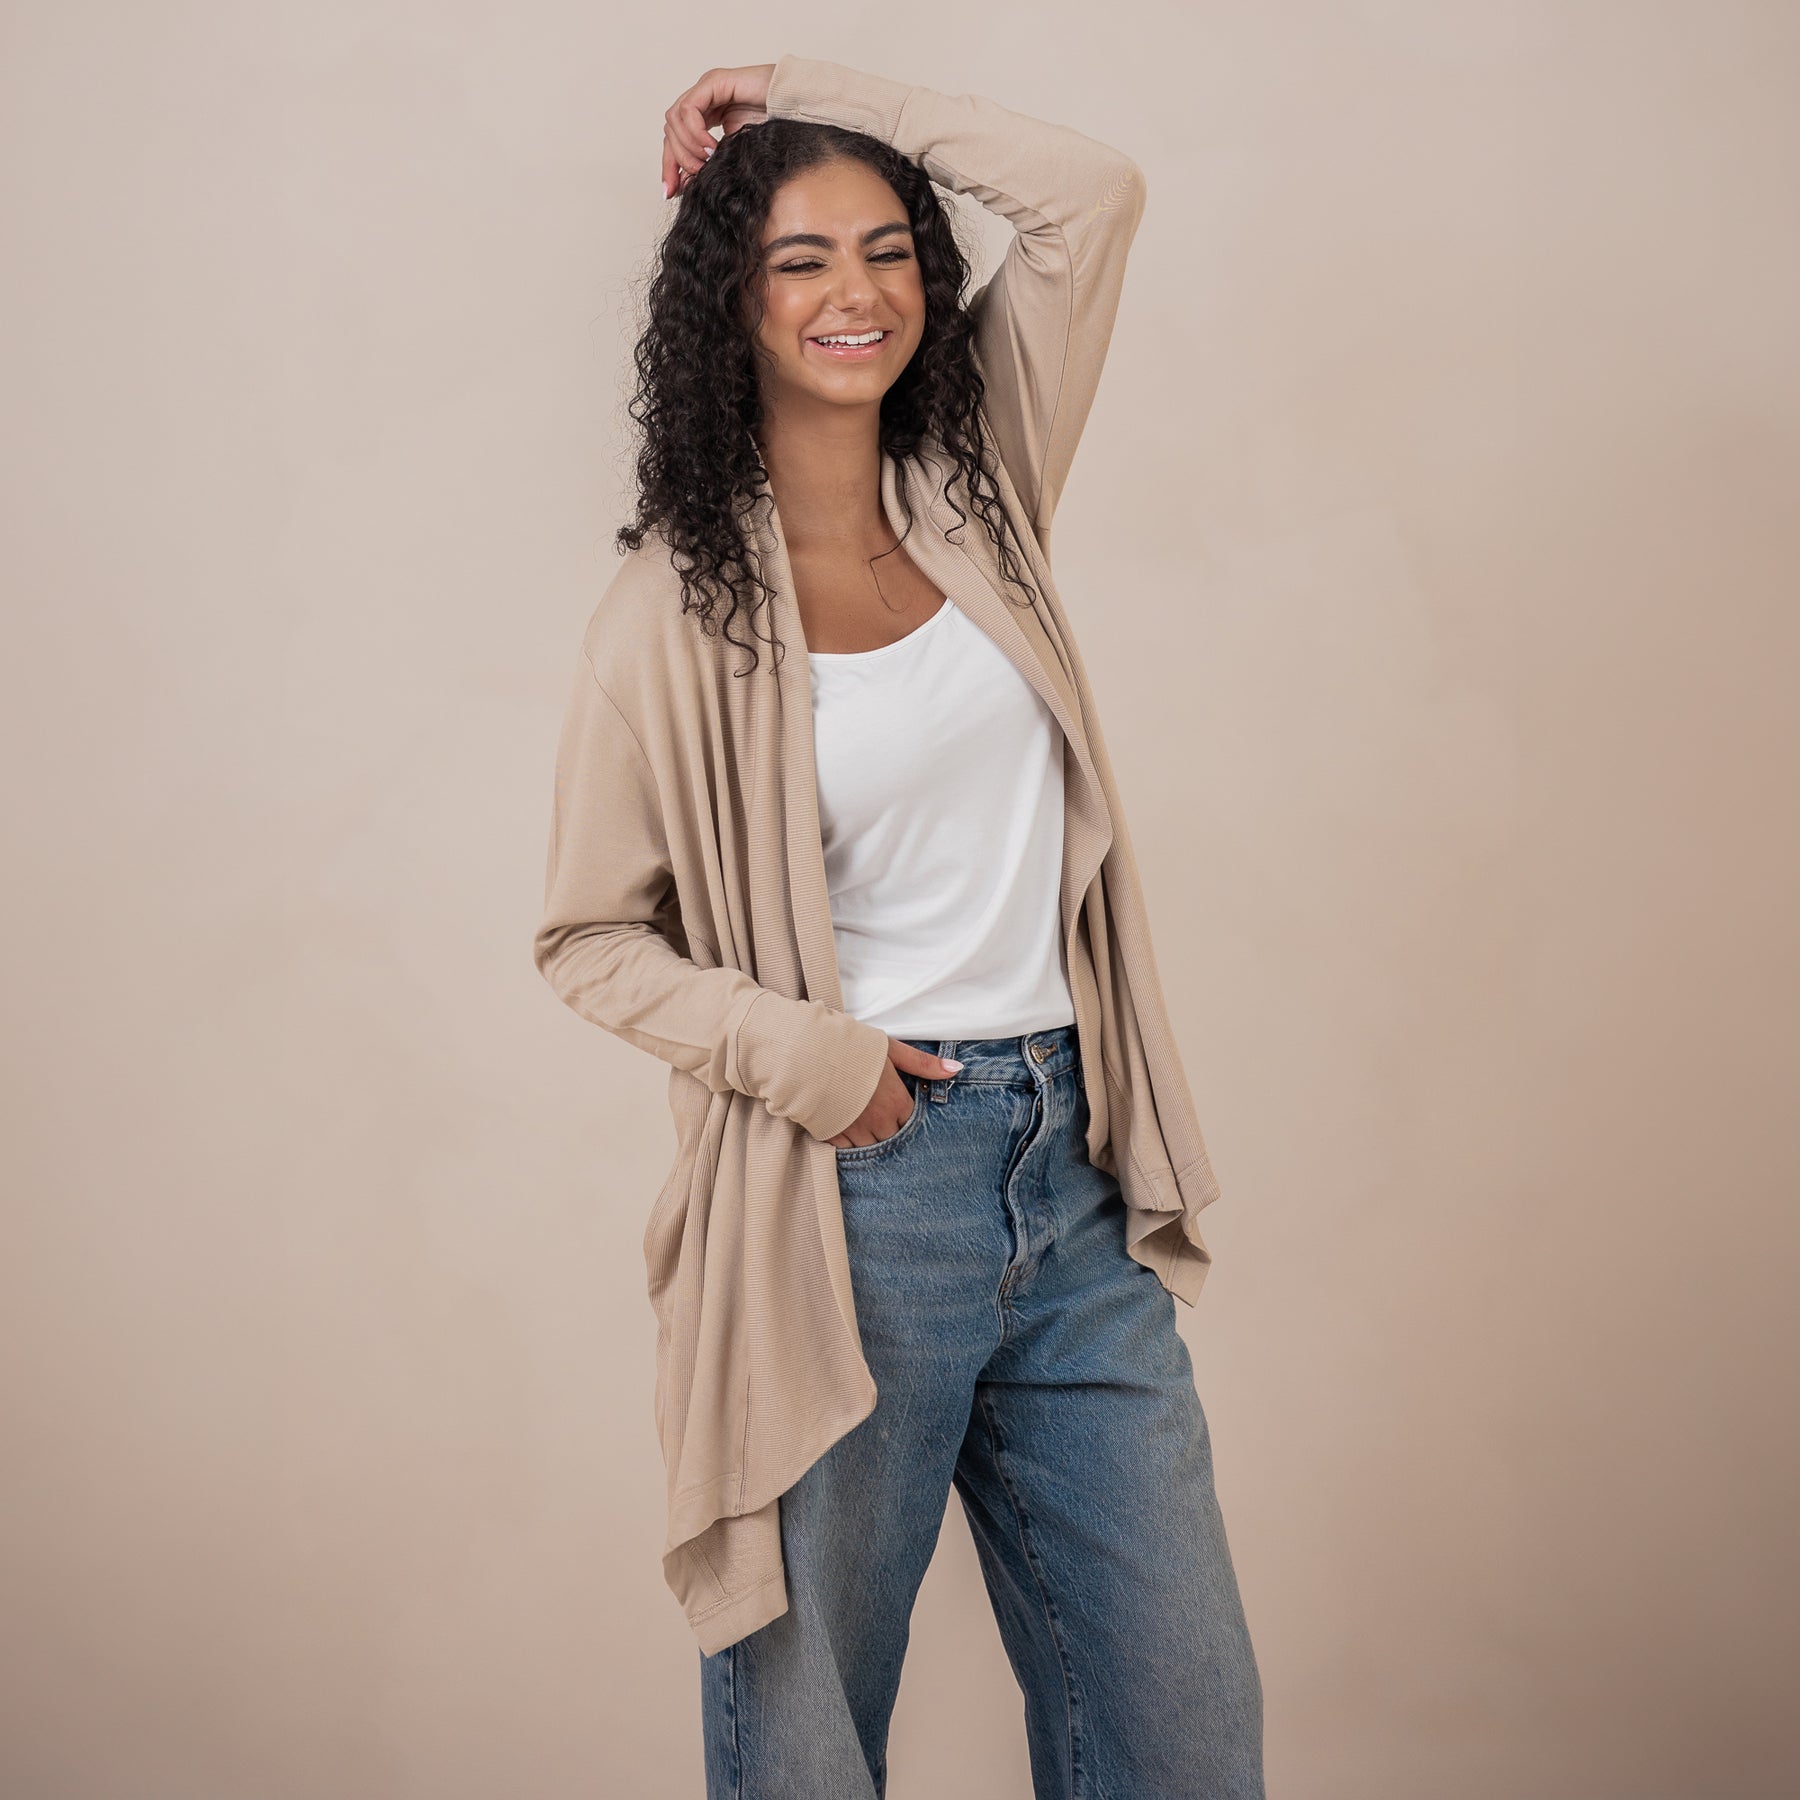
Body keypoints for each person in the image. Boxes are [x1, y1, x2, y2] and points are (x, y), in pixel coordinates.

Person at [536, 53, 1264, 1799]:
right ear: (733, 298)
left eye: (886, 250)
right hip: (848, 1195)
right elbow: (586, 936)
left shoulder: (978, 488)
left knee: (1179, 1722)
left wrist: (806, 91)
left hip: (1070, 1169)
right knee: (809, 1744)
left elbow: (1093, 195)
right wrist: (818, 1061)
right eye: (799, 258)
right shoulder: (670, 612)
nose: (854, 294)